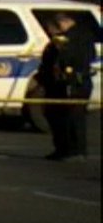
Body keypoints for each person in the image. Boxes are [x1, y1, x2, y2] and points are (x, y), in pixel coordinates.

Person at [38, 12, 95, 162]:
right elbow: (48, 60)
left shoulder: (81, 37)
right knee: (55, 116)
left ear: (62, 24)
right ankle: (62, 148)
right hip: (57, 84)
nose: (49, 33)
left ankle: (77, 151)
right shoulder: (58, 41)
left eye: (50, 29)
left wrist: (62, 49)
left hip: (75, 83)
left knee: (74, 118)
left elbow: (76, 59)